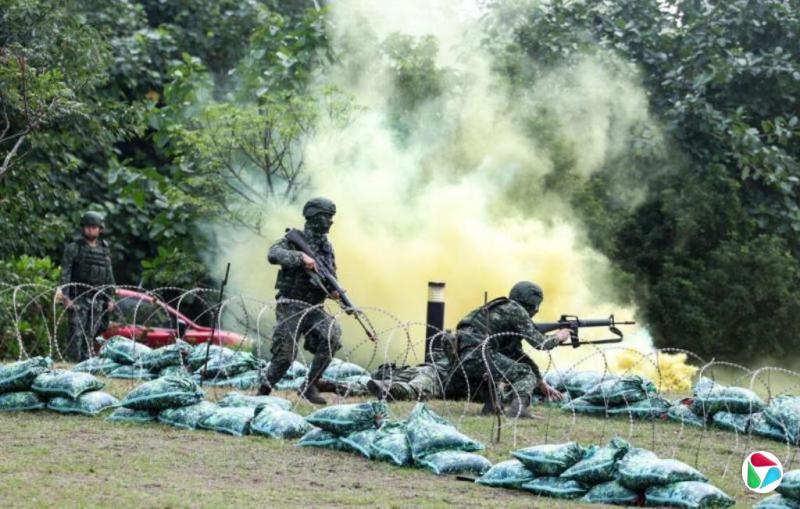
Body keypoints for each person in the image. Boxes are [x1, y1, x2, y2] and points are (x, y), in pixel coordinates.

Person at [257, 197, 342, 405]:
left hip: (314, 307)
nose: (330, 222)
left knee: (332, 335)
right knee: (285, 355)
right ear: (314, 217)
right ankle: (262, 393)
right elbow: (273, 254)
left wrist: (334, 291)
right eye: (327, 217)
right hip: (291, 305)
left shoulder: (326, 248)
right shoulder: (294, 239)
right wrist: (301, 258)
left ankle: (310, 385)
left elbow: (331, 275)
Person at [445, 281, 569, 418]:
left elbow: (517, 355)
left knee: (500, 370)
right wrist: (559, 337)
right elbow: (539, 343)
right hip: (479, 354)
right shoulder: (516, 309)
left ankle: (491, 409)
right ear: (533, 303)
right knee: (524, 374)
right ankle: (518, 410)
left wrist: (540, 383)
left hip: (463, 358)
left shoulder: (500, 308)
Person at [57, 211, 116, 361]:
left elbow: (108, 274)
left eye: (94, 227)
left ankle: (86, 364)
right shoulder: (74, 248)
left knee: (91, 333)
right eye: (87, 227)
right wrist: (66, 296)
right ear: (83, 228)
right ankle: (72, 363)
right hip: (78, 297)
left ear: (100, 229)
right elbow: (65, 273)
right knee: (76, 333)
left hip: (97, 298)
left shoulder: (104, 249)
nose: (90, 229)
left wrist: (110, 297)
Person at [366, 350, 452, 401]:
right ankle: (388, 388)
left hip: (431, 372)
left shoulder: (459, 358)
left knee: (411, 386)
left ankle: (390, 388)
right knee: (409, 385)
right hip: (428, 371)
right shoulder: (455, 355)